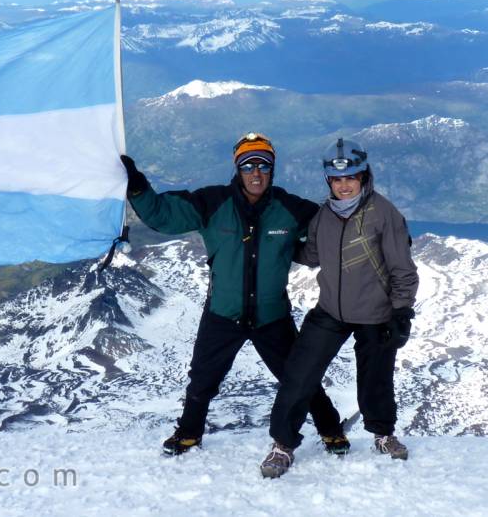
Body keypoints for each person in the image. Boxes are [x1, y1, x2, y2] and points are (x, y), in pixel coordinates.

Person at [121, 133, 348, 456]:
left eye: (264, 167)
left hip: (272, 315)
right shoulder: (212, 203)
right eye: (248, 166)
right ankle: (188, 434)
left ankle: (331, 431)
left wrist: (382, 235)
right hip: (223, 313)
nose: (256, 174)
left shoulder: (292, 209)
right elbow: (164, 216)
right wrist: (137, 185)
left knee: (299, 377)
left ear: (272, 170)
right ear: (238, 169)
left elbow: (335, 229)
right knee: (202, 379)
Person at [260, 137, 419, 479]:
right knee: (299, 375)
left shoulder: (384, 214)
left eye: (351, 178)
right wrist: (281, 244)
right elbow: (312, 255)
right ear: (328, 181)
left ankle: (383, 434)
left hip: (376, 314)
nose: (344, 185)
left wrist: (402, 311)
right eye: (337, 179)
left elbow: (402, 268)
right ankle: (282, 444)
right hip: (330, 310)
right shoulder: (324, 217)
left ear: (364, 177)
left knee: (376, 379)